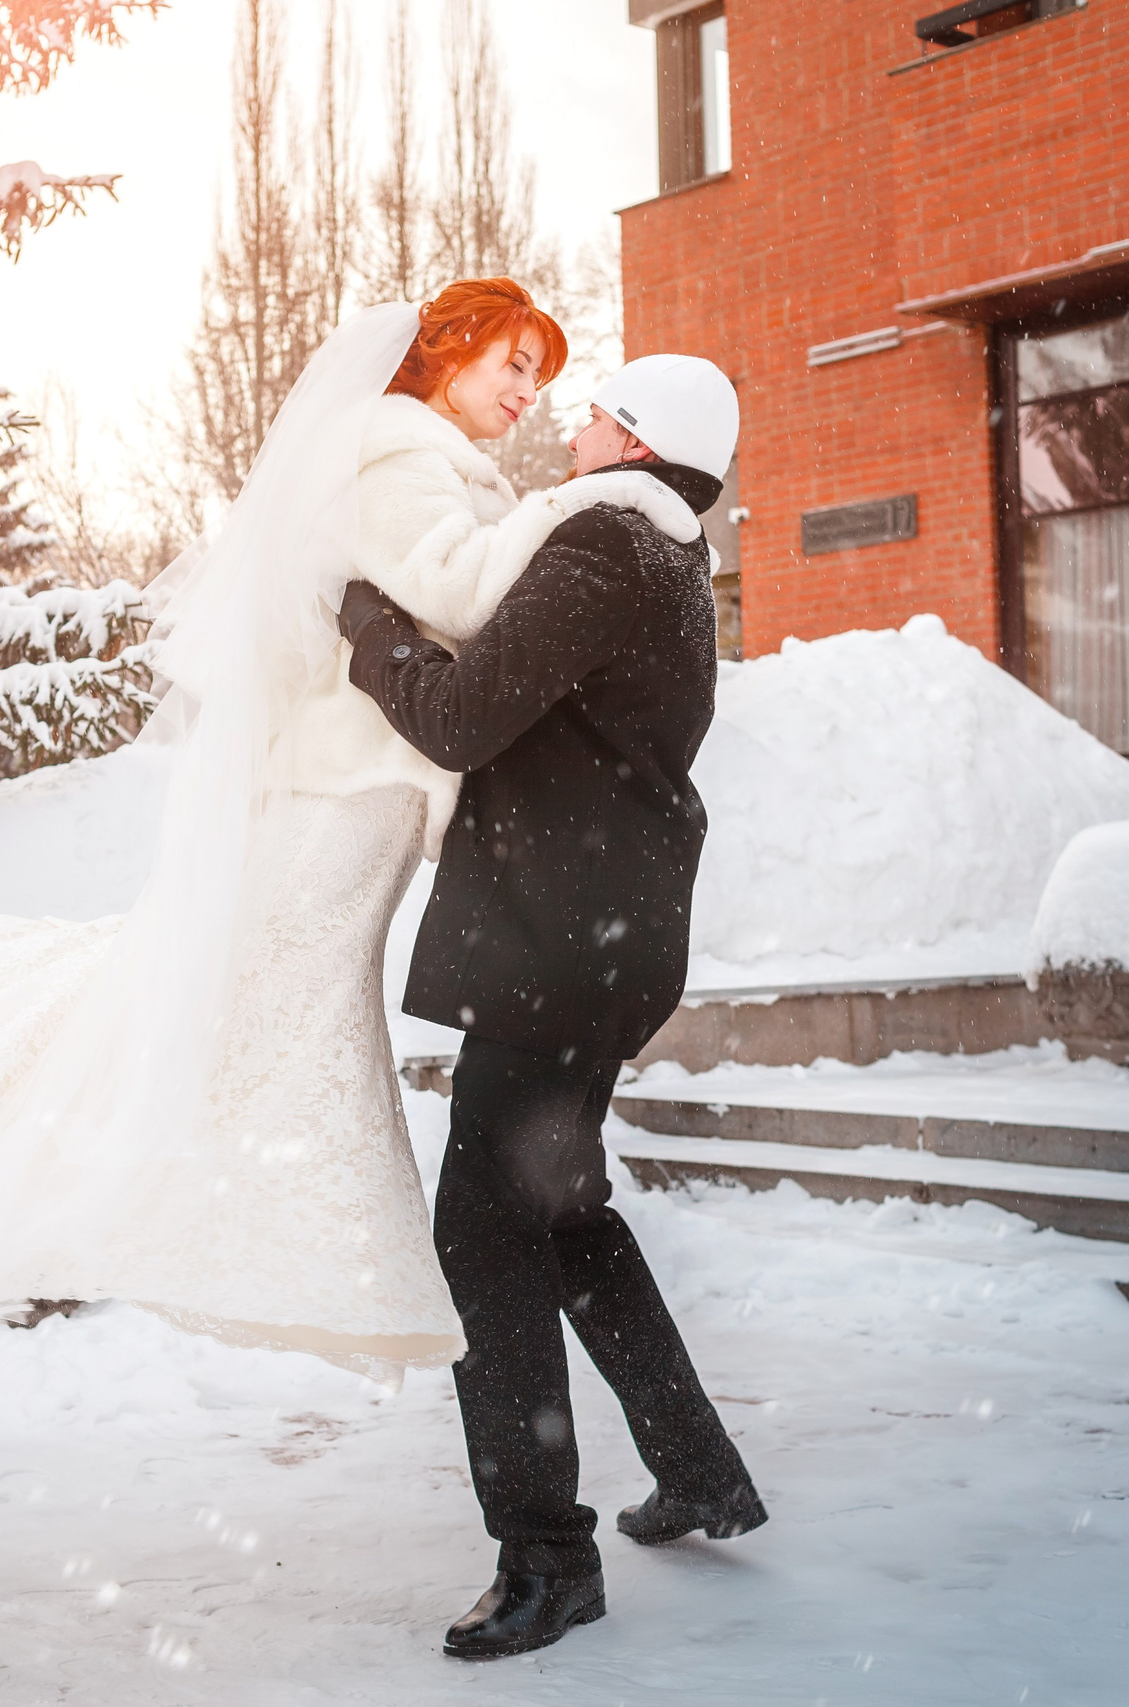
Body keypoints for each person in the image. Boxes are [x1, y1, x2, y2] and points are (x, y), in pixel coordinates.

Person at [0, 281, 701, 1381]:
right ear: (444, 356)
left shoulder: (432, 464)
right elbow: (458, 599)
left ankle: (250, 1223)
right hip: (344, 790)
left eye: (542, 378)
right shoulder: (402, 456)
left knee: (261, 1009)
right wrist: (576, 507)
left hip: (360, 791)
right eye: (512, 363)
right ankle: (148, 1198)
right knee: (252, 1007)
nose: (527, 394)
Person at [338, 354, 769, 1660]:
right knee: (563, 1216)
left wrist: (368, 623)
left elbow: (462, 716)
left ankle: (545, 1558)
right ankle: (698, 1467)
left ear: (632, 444)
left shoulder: (603, 544)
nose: (571, 426)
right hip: (605, 939)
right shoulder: (674, 560)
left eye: (593, 413)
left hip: (554, 944)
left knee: (482, 1242)